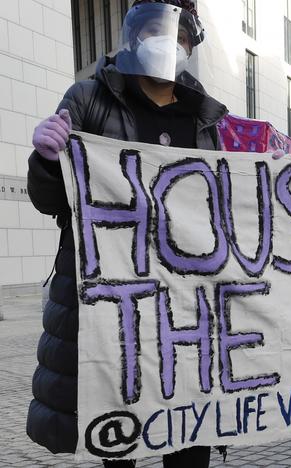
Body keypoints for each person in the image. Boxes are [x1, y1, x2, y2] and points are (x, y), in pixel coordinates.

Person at [26, 1, 227, 466]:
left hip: (185, 312)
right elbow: (52, 201)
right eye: (158, 31)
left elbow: (225, 208)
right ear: (135, 36)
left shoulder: (206, 118)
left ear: (190, 44)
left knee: (188, 439)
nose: (169, 43)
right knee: (120, 439)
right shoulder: (89, 99)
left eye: (179, 36)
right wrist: (46, 163)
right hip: (116, 310)